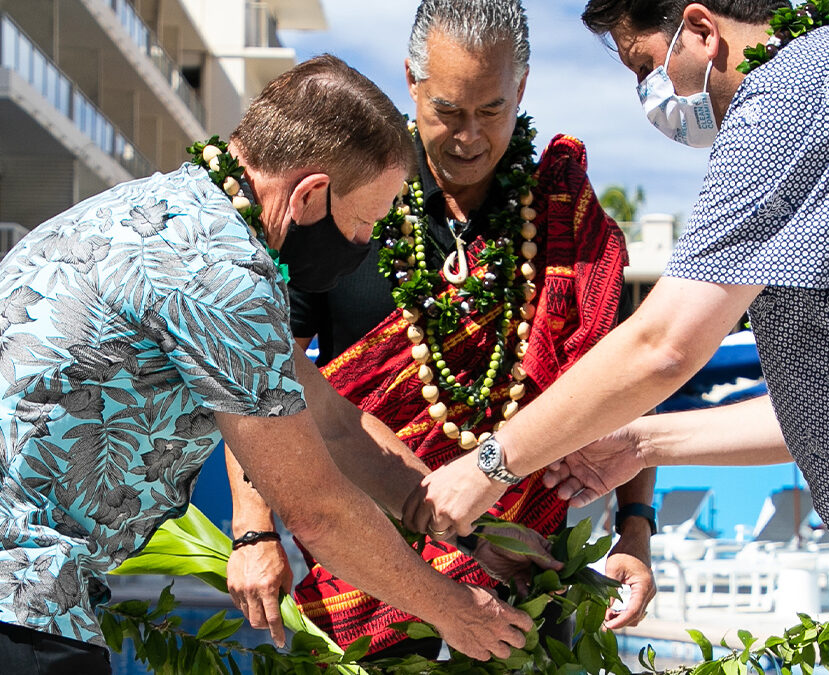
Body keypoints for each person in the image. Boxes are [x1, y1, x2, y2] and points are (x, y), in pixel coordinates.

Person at [403, 1, 829, 673]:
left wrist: (491, 465)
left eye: (642, 68)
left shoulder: (795, 89)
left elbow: (665, 344)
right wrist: (643, 442)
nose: (647, 97)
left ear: (701, 30)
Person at [0, 54, 533, 674]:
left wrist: (478, 537)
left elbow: (332, 422)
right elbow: (318, 510)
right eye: (365, 223)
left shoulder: (160, 212)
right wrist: (454, 609)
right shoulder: (221, 275)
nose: (363, 248)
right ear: (310, 195)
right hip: (22, 602)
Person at [224, 0, 658, 659]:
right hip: (364, 570)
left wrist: (635, 530)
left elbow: (622, 378)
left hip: (529, 567)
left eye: (492, 110)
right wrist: (253, 529)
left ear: (523, 87)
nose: (469, 137)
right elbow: (265, 373)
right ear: (411, 81)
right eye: (449, 111)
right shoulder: (344, 201)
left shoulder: (564, 220)